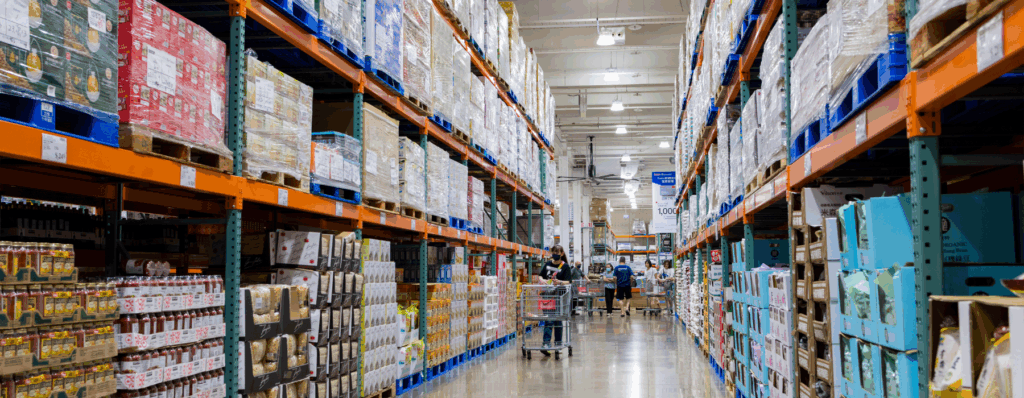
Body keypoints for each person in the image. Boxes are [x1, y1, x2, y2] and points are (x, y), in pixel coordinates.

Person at [537, 245, 571, 356]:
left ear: (561, 253)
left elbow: (568, 281)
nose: (554, 254)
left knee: (557, 320)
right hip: (547, 296)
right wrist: (542, 280)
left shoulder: (565, 266)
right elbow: (540, 276)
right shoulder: (547, 264)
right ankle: (546, 344)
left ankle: (558, 344)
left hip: (559, 296)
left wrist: (559, 282)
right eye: (553, 252)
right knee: (549, 319)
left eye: (557, 252)